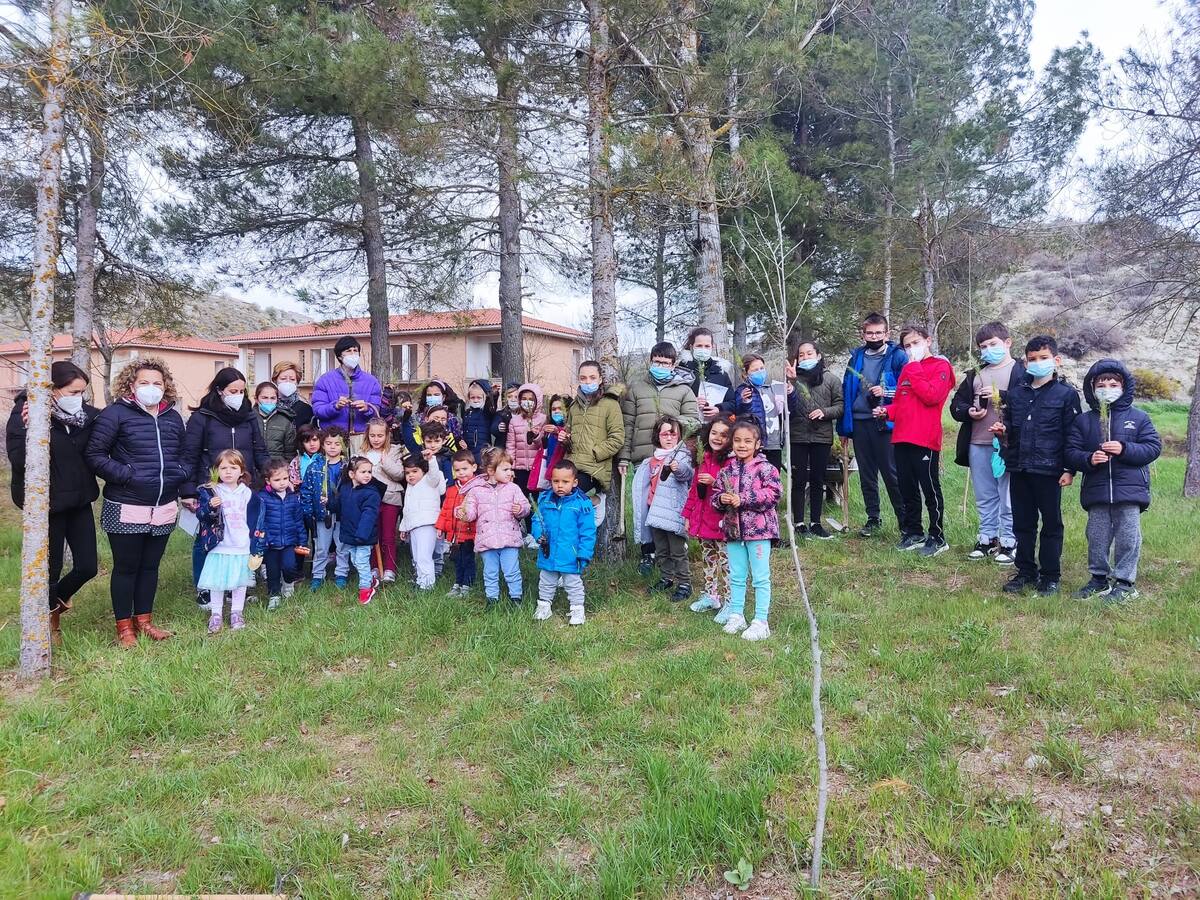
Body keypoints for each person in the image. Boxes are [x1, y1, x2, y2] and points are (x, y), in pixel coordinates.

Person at [86, 357, 187, 646]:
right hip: (127, 504)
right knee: (126, 567)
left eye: (157, 383)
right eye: (144, 382)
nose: (151, 387)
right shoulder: (115, 414)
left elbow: (182, 453)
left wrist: (180, 473)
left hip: (164, 505)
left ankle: (144, 620)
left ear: (165, 386)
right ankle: (124, 627)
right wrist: (127, 475)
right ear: (132, 385)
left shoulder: (171, 416)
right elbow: (95, 456)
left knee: (150, 567)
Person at [6, 361, 100, 645]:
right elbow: (20, 460)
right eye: (73, 391)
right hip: (47, 504)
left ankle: (54, 600)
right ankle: (50, 625)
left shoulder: (84, 416)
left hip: (79, 498)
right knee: (51, 568)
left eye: (82, 392)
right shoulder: (25, 414)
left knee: (87, 567)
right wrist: (32, 427)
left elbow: (108, 424)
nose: (78, 398)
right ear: (53, 390)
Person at [991, 336, 1081, 596]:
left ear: (1056, 361)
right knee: (1023, 523)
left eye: (1043, 358)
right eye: (1032, 359)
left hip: (1050, 470)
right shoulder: (1017, 393)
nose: (1038, 363)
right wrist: (1002, 433)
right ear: (1026, 361)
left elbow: (1071, 435)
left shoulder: (1066, 395)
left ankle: (1050, 575)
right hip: (1020, 467)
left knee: (1051, 524)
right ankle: (1025, 571)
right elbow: (1011, 432)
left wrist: (1069, 469)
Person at [1065, 361, 1162, 604]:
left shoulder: (1138, 418)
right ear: (1092, 388)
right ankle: (1098, 579)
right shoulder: (1084, 421)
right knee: (1096, 536)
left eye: (1113, 384)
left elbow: (1152, 447)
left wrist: (1124, 448)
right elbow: (1070, 452)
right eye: (1101, 385)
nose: (1107, 388)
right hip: (1096, 491)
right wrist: (1089, 458)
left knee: (1128, 537)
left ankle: (1125, 583)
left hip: (1130, 491)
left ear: (1124, 386)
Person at [180, 367, 270, 607]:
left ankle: (232, 587)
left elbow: (259, 450)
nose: (238, 395)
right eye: (233, 390)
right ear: (220, 390)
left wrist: (270, 475)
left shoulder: (249, 416)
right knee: (207, 538)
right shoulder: (202, 418)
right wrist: (188, 490)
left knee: (237, 537)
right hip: (211, 487)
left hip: (242, 487)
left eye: (242, 390)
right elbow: (190, 454)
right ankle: (205, 588)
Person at [873, 324, 955, 557]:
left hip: (925, 438)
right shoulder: (908, 370)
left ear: (928, 341)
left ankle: (937, 536)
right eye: (907, 346)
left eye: (915, 343)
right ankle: (914, 532)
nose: (911, 349)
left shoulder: (941, 366)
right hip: (901, 436)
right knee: (907, 488)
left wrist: (915, 367)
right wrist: (887, 412)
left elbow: (931, 396)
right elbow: (902, 402)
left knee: (930, 488)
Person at [620, 343, 700, 572]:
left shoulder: (684, 390)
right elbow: (628, 424)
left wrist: (670, 422)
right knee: (645, 506)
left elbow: (693, 421)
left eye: (665, 363)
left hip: (673, 458)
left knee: (669, 506)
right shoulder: (636, 388)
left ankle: (674, 549)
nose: (661, 366)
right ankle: (648, 551)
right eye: (657, 361)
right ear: (651, 360)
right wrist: (624, 457)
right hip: (645, 458)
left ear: (673, 364)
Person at [949, 321, 1024, 565]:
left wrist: (1001, 397)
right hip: (978, 441)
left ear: (1008, 343)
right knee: (984, 494)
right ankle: (987, 537)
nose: (988, 349)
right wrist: (969, 410)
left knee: (1008, 494)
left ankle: (1010, 540)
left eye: (993, 344)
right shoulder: (976, 374)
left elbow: (1028, 402)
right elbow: (956, 405)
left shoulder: (1021, 371)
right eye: (983, 346)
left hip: (1007, 443)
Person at [838, 313, 908, 538]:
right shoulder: (856, 357)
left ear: (887, 334)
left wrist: (886, 391)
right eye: (870, 333)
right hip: (859, 422)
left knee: (891, 473)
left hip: (885, 421)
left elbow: (907, 387)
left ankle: (905, 520)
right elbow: (846, 390)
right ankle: (873, 518)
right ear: (863, 334)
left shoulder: (897, 357)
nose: (874, 336)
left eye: (879, 332)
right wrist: (844, 427)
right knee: (867, 474)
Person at [712, 419, 783, 641]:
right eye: (737, 440)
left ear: (758, 443)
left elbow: (773, 495)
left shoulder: (766, 468)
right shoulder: (727, 470)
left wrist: (742, 499)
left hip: (759, 532)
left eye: (748, 441)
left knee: (760, 577)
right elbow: (715, 496)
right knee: (737, 575)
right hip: (733, 532)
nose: (742, 445)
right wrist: (721, 499)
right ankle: (736, 614)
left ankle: (761, 621)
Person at [632, 415, 696, 602]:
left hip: (672, 512)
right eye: (664, 434)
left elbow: (686, 474)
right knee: (661, 549)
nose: (669, 438)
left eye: (673, 434)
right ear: (657, 436)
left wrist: (677, 468)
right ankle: (666, 577)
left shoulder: (681, 456)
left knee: (677, 549)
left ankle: (684, 582)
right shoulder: (652, 460)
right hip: (654, 511)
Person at [196, 450, 258, 634]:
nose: (228, 472)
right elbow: (201, 515)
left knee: (240, 581)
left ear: (241, 471)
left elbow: (254, 518)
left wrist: (255, 540)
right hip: (220, 545)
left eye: (233, 467)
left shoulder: (246, 493)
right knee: (218, 580)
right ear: (216, 470)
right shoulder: (212, 491)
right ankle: (216, 614)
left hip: (241, 544)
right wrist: (209, 506)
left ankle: (236, 612)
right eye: (223, 468)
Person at [787, 340, 843, 538]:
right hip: (797, 436)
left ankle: (816, 523)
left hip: (821, 436)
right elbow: (784, 407)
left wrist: (824, 412)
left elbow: (840, 405)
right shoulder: (792, 379)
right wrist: (791, 383)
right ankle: (799, 523)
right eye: (801, 355)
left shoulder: (831, 379)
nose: (805, 357)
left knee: (818, 479)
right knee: (798, 480)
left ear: (818, 355)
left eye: (809, 353)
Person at [531, 460, 596, 625]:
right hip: (549, 551)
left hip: (571, 553)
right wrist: (539, 535)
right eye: (556, 481)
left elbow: (588, 532)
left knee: (572, 582)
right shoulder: (545, 500)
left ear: (574, 482)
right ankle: (544, 606)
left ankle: (577, 610)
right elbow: (537, 520)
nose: (560, 485)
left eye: (565, 482)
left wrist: (583, 553)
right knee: (546, 580)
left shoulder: (582, 503)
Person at [461, 450, 531, 606]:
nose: (510, 473)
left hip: (509, 539)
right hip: (487, 540)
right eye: (505, 469)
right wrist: (463, 512)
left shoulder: (513, 488)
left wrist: (520, 509)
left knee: (512, 571)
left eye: (510, 469)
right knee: (490, 572)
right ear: (491, 471)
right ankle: (492, 598)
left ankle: (516, 597)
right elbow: (471, 514)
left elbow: (526, 507)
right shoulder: (476, 491)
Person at [682, 416, 732, 613]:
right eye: (714, 433)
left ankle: (730, 601)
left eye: (724, 435)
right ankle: (710, 595)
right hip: (703, 521)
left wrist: (715, 482)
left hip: (722, 523)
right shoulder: (703, 458)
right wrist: (687, 515)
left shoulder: (731, 462)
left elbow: (733, 490)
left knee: (727, 563)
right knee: (708, 559)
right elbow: (694, 490)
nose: (717, 438)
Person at [564, 360, 624, 524]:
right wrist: (565, 439)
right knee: (558, 496)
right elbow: (568, 432)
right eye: (583, 378)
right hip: (572, 464)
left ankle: (597, 500)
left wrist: (595, 453)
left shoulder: (610, 405)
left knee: (568, 498)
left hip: (594, 469)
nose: (588, 382)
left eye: (592, 377)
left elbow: (617, 437)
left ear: (600, 380)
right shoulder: (574, 406)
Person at [251, 460, 307, 610]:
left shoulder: (292, 497)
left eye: (285, 479)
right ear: (268, 481)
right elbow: (259, 521)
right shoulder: (262, 498)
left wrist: (302, 540)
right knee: (272, 571)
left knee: (290, 566)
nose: (282, 483)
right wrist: (263, 539)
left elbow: (298, 520)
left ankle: (288, 584)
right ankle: (274, 594)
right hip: (270, 543)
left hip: (289, 541)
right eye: (277, 480)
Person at [310, 337, 382, 450]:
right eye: (348, 351)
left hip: (362, 438)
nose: (353, 354)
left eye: (355, 350)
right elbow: (318, 410)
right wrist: (335, 406)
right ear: (339, 356)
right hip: (332, 440)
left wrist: (367, 408)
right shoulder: (325, 380)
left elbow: (377, 410)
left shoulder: (371, 381)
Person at [300, 426, 349, 590]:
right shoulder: (314, 466)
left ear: (343, 445)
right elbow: (306, 490)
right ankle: (317, 575)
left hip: (343, 514)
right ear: (323, 444)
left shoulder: (348, 467)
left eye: (337, 443)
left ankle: (341, 573)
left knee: (342, 546)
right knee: (321, 547)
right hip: (322, 514)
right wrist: (309, 512)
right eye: (329, 443)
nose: (333, 447)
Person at [731, 354, 799, 469]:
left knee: (773, 478)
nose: (760, 372)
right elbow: (742, 416)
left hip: (774, 444)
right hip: (756, 444)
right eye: (755, 370)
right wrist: (745, 402)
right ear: (746, 374)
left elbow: (789, 411)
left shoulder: (773, 389)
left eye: (762, 368)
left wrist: (791, 393)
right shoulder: (743, 391)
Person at [332, 457, 383, 605]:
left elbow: (369, 515)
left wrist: (362, 535)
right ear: (352, 474)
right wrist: (329, 504)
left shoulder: (371, 493)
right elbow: (340, 506)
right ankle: (371, 580)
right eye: (363, 472)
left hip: (363, 536)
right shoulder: (346, 489)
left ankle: (365, 589)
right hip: (350, 533)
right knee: (355, 560)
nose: (367, 475)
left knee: (361, 561)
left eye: (369, 472)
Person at [360, 417, 406, 583]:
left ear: (386, 436)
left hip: (389, 499)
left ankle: (389, 569)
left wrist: (385, 461)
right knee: (373, 535)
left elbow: (400, 474)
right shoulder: (362, 453)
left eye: (380, 435)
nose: (376, 439)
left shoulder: (394, 451)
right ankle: (374, 567)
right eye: (373, 435)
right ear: (368, 435)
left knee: (387, 536)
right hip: (368, 501)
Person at [437, 449, 484, 596]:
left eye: (465, 469)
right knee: (457, 559)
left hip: (470, 532)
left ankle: (467, 585)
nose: (461, 473)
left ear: (474, 467)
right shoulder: (452, 489)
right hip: (455, 533)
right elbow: (445, 509)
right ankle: (457, 583)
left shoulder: (478, 488)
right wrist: (440, 527)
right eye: (457, 470)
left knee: (468, 558)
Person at [398, 454, 446, 590]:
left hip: (427, 524)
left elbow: (435, 474)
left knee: (424, 556)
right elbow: (406, 509)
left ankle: (427, 585)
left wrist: (431, 460)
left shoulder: (429, 481)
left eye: (414, 471)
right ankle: (420, 580)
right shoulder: (410, 488)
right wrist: (403, 527)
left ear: (423, 470)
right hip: (413, 526)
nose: (410, 475)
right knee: (417, 556)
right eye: (407, 473)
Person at [678, 327, 735, 420]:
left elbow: (732, 402)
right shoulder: (683, 371)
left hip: (715, 426)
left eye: (707, 346)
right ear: (691, 347)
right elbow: (673, 400)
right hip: (689, 424)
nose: (703, 349)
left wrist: (719, 409)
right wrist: (691, 402)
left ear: (713, 346)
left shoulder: (721, 372)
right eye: (699, 346)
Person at [506, 382, 546, 501]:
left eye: (530, 399)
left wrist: (536, 436)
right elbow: (511, 446)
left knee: (537, 499)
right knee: (523, 499)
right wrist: (510, 467)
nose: (527, 402)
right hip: (520, 469)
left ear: (537, 401)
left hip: (537, 468)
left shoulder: (543, 419)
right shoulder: (515, 421)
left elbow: (544, 445)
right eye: (524, 398)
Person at [528, 394, 570, 494]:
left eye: (560, 408)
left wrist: (558, 431)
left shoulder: (568, 428)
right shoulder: (548, 428)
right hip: (548, 472)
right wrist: (536, 436)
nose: (556, 411)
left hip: (562, 474)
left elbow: (568, 442)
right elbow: (543, 448)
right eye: (553, 409)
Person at [255, 381, 296, 463]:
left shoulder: (285, 422)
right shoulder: (249, 420)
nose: (269, 401)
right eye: (264, 398)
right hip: (254, 472)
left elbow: (290, 454)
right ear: (256, 399)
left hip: (278, 471)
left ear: (277, 400)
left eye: (273, 398)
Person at [461, 379, 495, 464]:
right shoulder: (467, 413)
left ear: (484, 397)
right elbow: (463, 430)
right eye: (473, 397)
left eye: (479, 397)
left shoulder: (486, 412)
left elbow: (491, 404)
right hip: (468, 451)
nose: (476, 400)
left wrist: (493, 394)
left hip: (483, 452)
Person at [272, 361, 314, 429]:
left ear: (297, 382)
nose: (287, 382)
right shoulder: (268, 406)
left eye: (292, 379)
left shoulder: (306, 409)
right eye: (283, 379)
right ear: (275, 380)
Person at [288, 423, 322, 487]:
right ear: (302, 443)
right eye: (307, 441)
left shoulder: (325, 458)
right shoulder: (296, 461)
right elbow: (293, 482)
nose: (312, 444)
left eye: (314, 440)